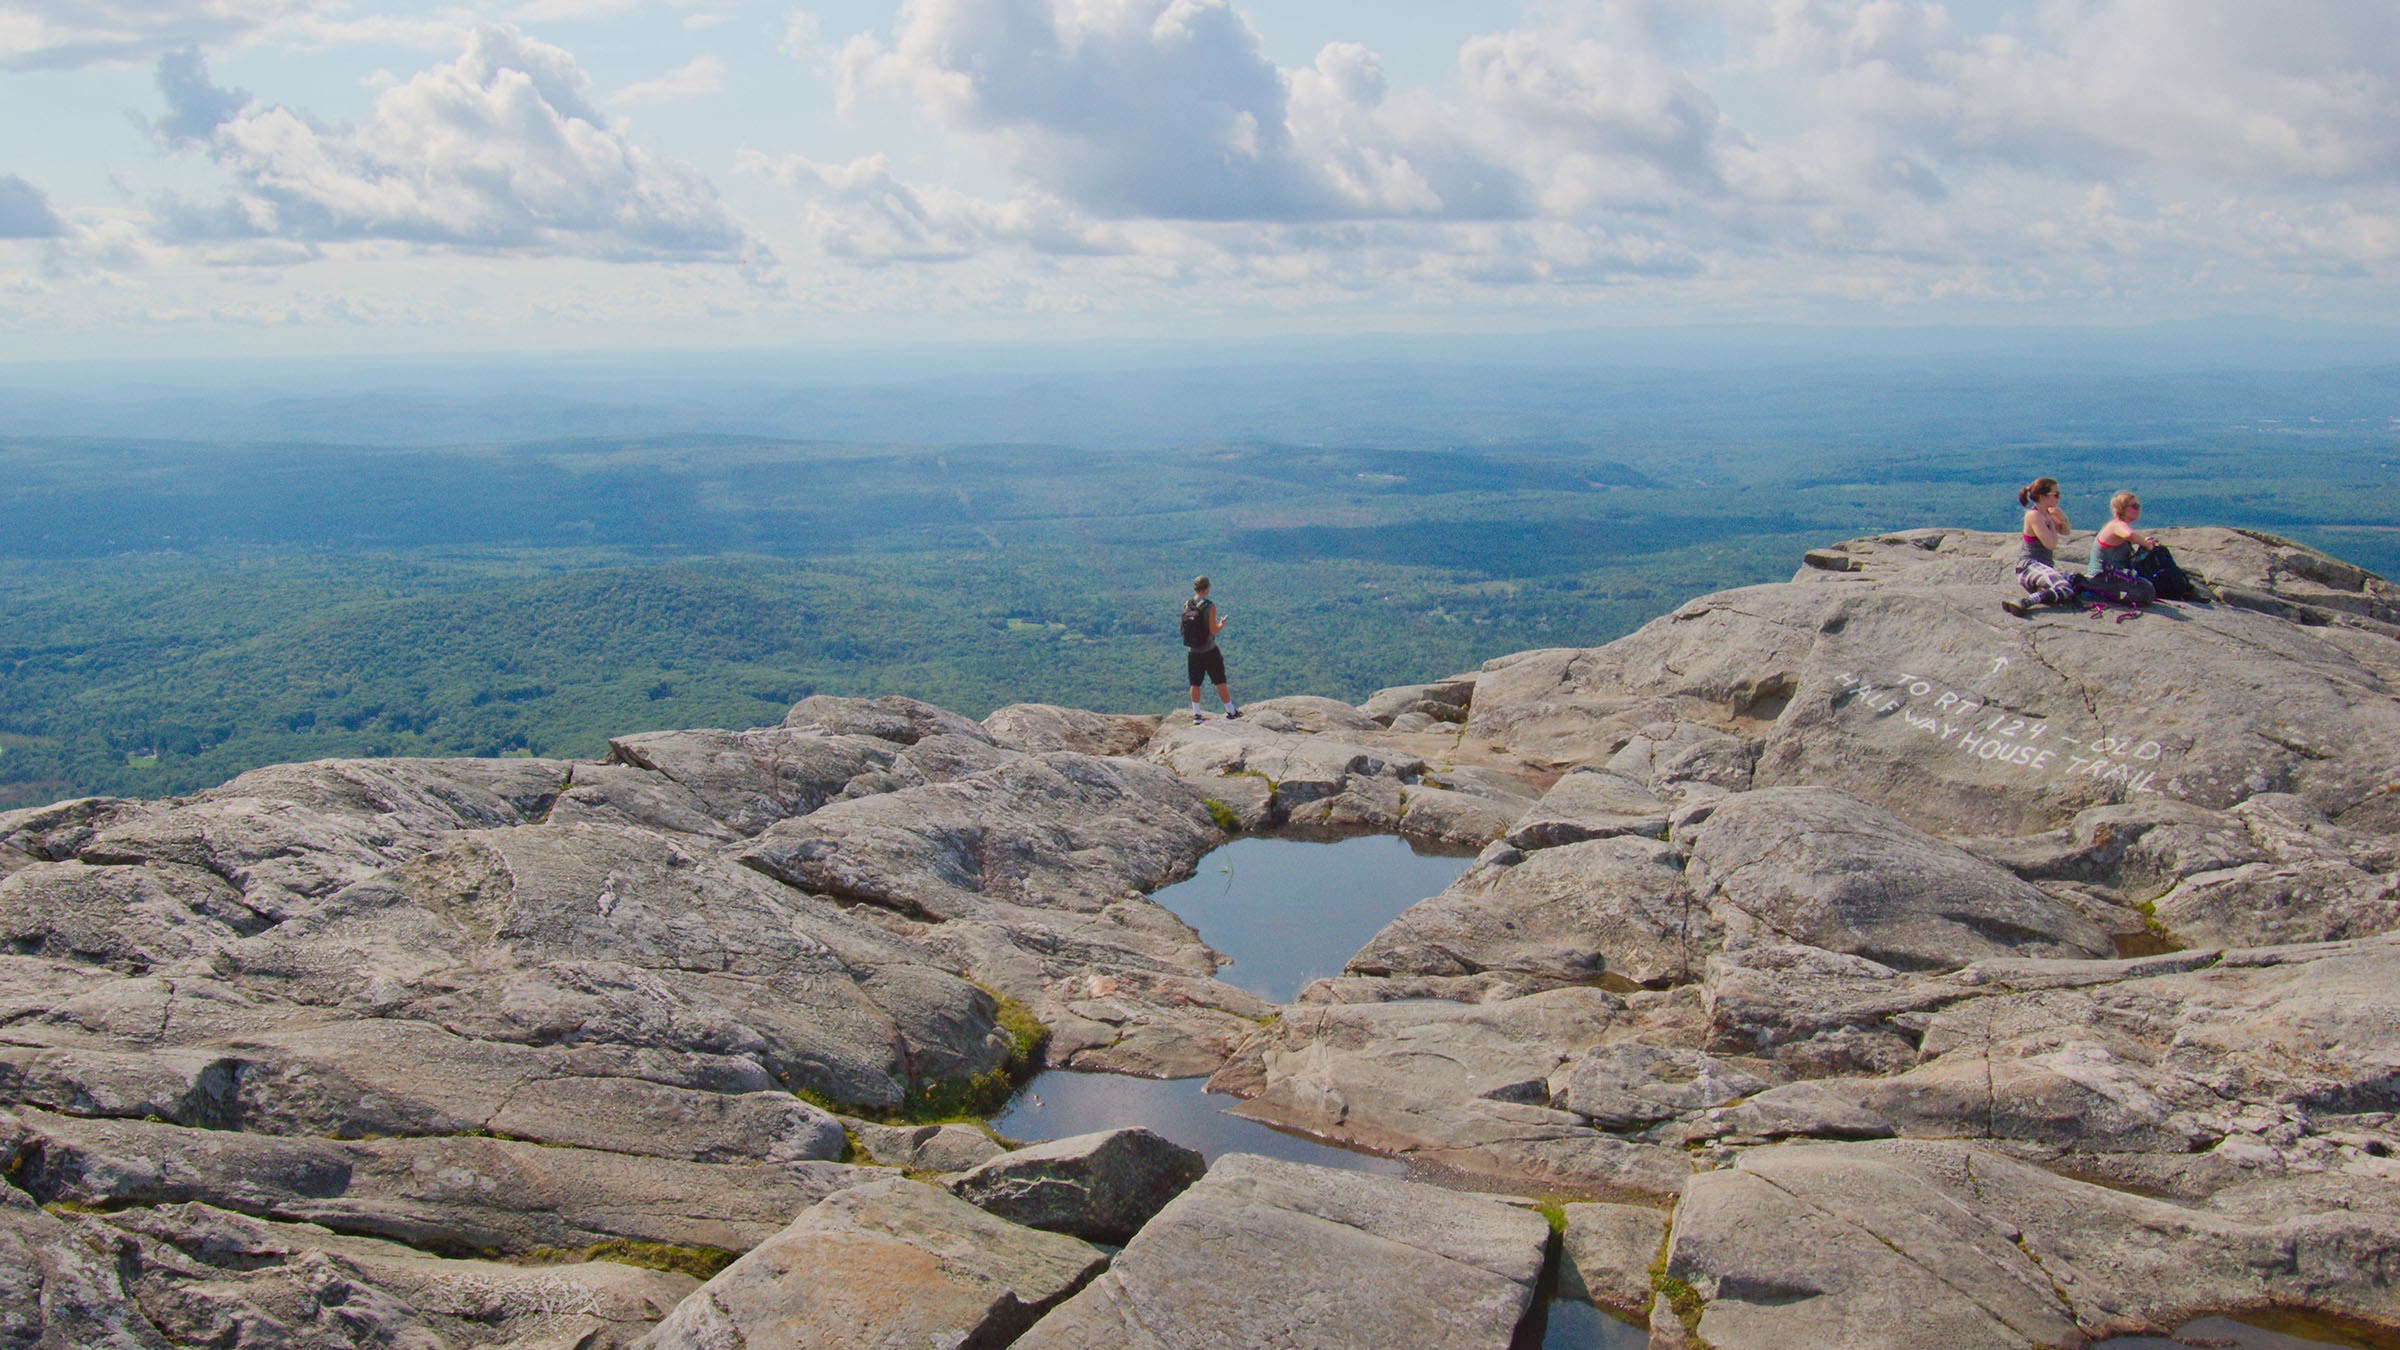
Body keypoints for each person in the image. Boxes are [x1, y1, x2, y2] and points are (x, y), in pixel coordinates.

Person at [2003, 477, 2080, 617]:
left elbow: (2066, 531)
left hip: (2045, 567)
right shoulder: (2034, 516)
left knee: (2077, 582)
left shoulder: (2047, 514)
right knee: (2065, 588)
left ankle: (2043, 593)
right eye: (2055, 494)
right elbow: (2051, 544)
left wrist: (2062, 519)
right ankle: (2026, 602)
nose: (2059, 498)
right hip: (2029, 567)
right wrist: (2051, 523)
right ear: (2042, 497)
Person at [2081, 491, 2158, 607]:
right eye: (2135, 506)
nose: (2138, 509)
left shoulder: (2118, 525)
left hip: (2110, 577)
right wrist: (2147, 545)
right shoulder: (2117, 525)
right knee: (2145, 591)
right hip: (2101, 578)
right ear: (2122, 509)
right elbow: (2129, 535)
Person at [1181, 576, 1239, 724]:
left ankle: (1196, 715)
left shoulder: (1188, 604)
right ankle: (1231, 711)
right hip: (1209, 650)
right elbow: (1213, 631)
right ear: (1207, 588)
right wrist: (1221, 624)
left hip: (1193, 651)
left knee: (1195, 683)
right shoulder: (1209, 606)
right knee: (1220, 680)